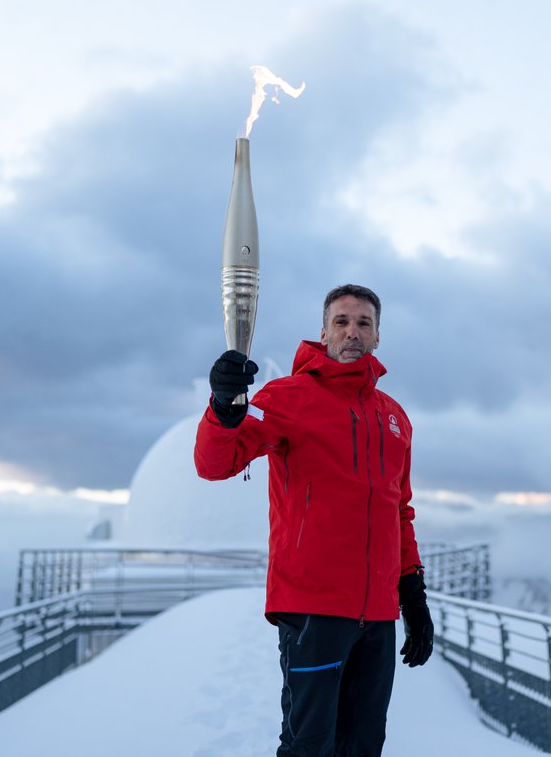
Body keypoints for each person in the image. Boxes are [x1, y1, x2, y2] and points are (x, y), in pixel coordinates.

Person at [194, 283, 434, 757]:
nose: (352, 332)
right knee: (310, 745)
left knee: (364, 744)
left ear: (378, 336)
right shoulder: (287, 398)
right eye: (341, 322)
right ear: (323, 332)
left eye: (363, 323)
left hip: (378, 616)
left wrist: (414, 597)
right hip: (313, 610)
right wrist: (223, 407)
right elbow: (216, 464)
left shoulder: (395, 418)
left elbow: (398, 513)